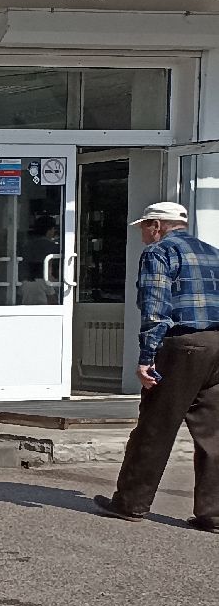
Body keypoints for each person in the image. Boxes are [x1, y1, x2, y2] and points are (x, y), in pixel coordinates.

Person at [94, 202, 219, 532]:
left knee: (155, 425)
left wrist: (147, 357)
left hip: (184, 344)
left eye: (143, 228)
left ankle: (130, 502)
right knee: (214, 431)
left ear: (156, 226)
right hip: (218, 342)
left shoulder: (159, 253)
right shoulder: (212, 252)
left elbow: (154, 308)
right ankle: (214, 513)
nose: (142, 235)